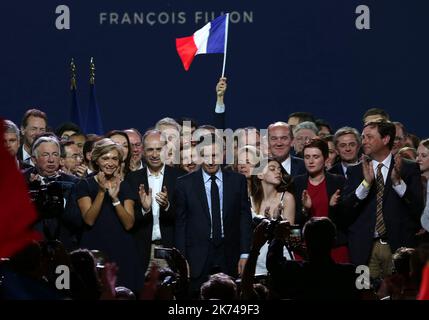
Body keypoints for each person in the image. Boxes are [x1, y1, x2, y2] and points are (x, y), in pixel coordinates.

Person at [343, 120, 424, 280]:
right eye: (363, 137)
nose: (364, 141)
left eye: (369, 137)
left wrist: (398, 184)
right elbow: (345, 211)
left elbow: (418, 210)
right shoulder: (355, 171)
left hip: (398, 248)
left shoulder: (408, 168)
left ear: (386, 139)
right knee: (363, 293)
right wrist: (365, 185)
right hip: (363, 248)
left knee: (398, 292)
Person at [175, 133, 252, 294]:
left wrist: (245, 253)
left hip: (230, 253)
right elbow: (181, 224)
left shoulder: (237, 181)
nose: (210, 160)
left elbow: (244, 219)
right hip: (197, 256)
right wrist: (182, 259)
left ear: (223, 154)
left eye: (214, 155)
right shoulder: (184, 184)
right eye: (205, 155)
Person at [76, 138, 141, 291]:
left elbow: (129, 223)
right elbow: (89, 220)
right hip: (95, 248)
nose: (110, 163)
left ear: (119, 162)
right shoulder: (84, 185)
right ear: (96, 160)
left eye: (114, 158)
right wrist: (101, 192)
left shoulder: (125, 186)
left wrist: (115, 199)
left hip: (122, 248)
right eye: (105, 158)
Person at [120, 130, 185, 276]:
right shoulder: (132, 179)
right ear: (143, 151)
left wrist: (167, 206)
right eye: (150, 149)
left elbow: (184, 216)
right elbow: (128, 220)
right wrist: (144, 210)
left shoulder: (179, 178)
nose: (155, 155)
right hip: (142, 250)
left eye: (159, 149)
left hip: (170, 249)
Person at [266, 217, 359, 299]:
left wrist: (278, 238)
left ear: (305, 242)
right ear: (334, 241)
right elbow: (367, 295)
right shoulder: (352, 272)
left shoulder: (295, 271)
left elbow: (273, 264)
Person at [294, 138, 349, 263]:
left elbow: (347, 220)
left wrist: (334, 207)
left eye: (315, 156)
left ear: (325, 159)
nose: (311, 161)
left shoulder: (338, 182)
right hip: (305, 249)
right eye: (307, 157)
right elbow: (294, 221)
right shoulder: (297, 183)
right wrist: (305, 209)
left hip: (334, 247)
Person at [23, 136, 82, 249]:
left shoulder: (73, 183)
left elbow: (77, 221)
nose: (51, 160)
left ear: (60, 158)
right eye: (46, 155)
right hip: (31, 250)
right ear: (34, 159)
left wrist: (60, 203)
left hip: (64, 250)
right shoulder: (21, 181)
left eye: (55, 154)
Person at [249, 158, 295, 275]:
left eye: (279, 169)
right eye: (272, 169)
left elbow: (288, 234)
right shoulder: (249, 200)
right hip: (257, 255)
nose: (278, 172)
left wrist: (275, 222)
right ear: (259, 174)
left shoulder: (286, 198)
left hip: (280, 254)